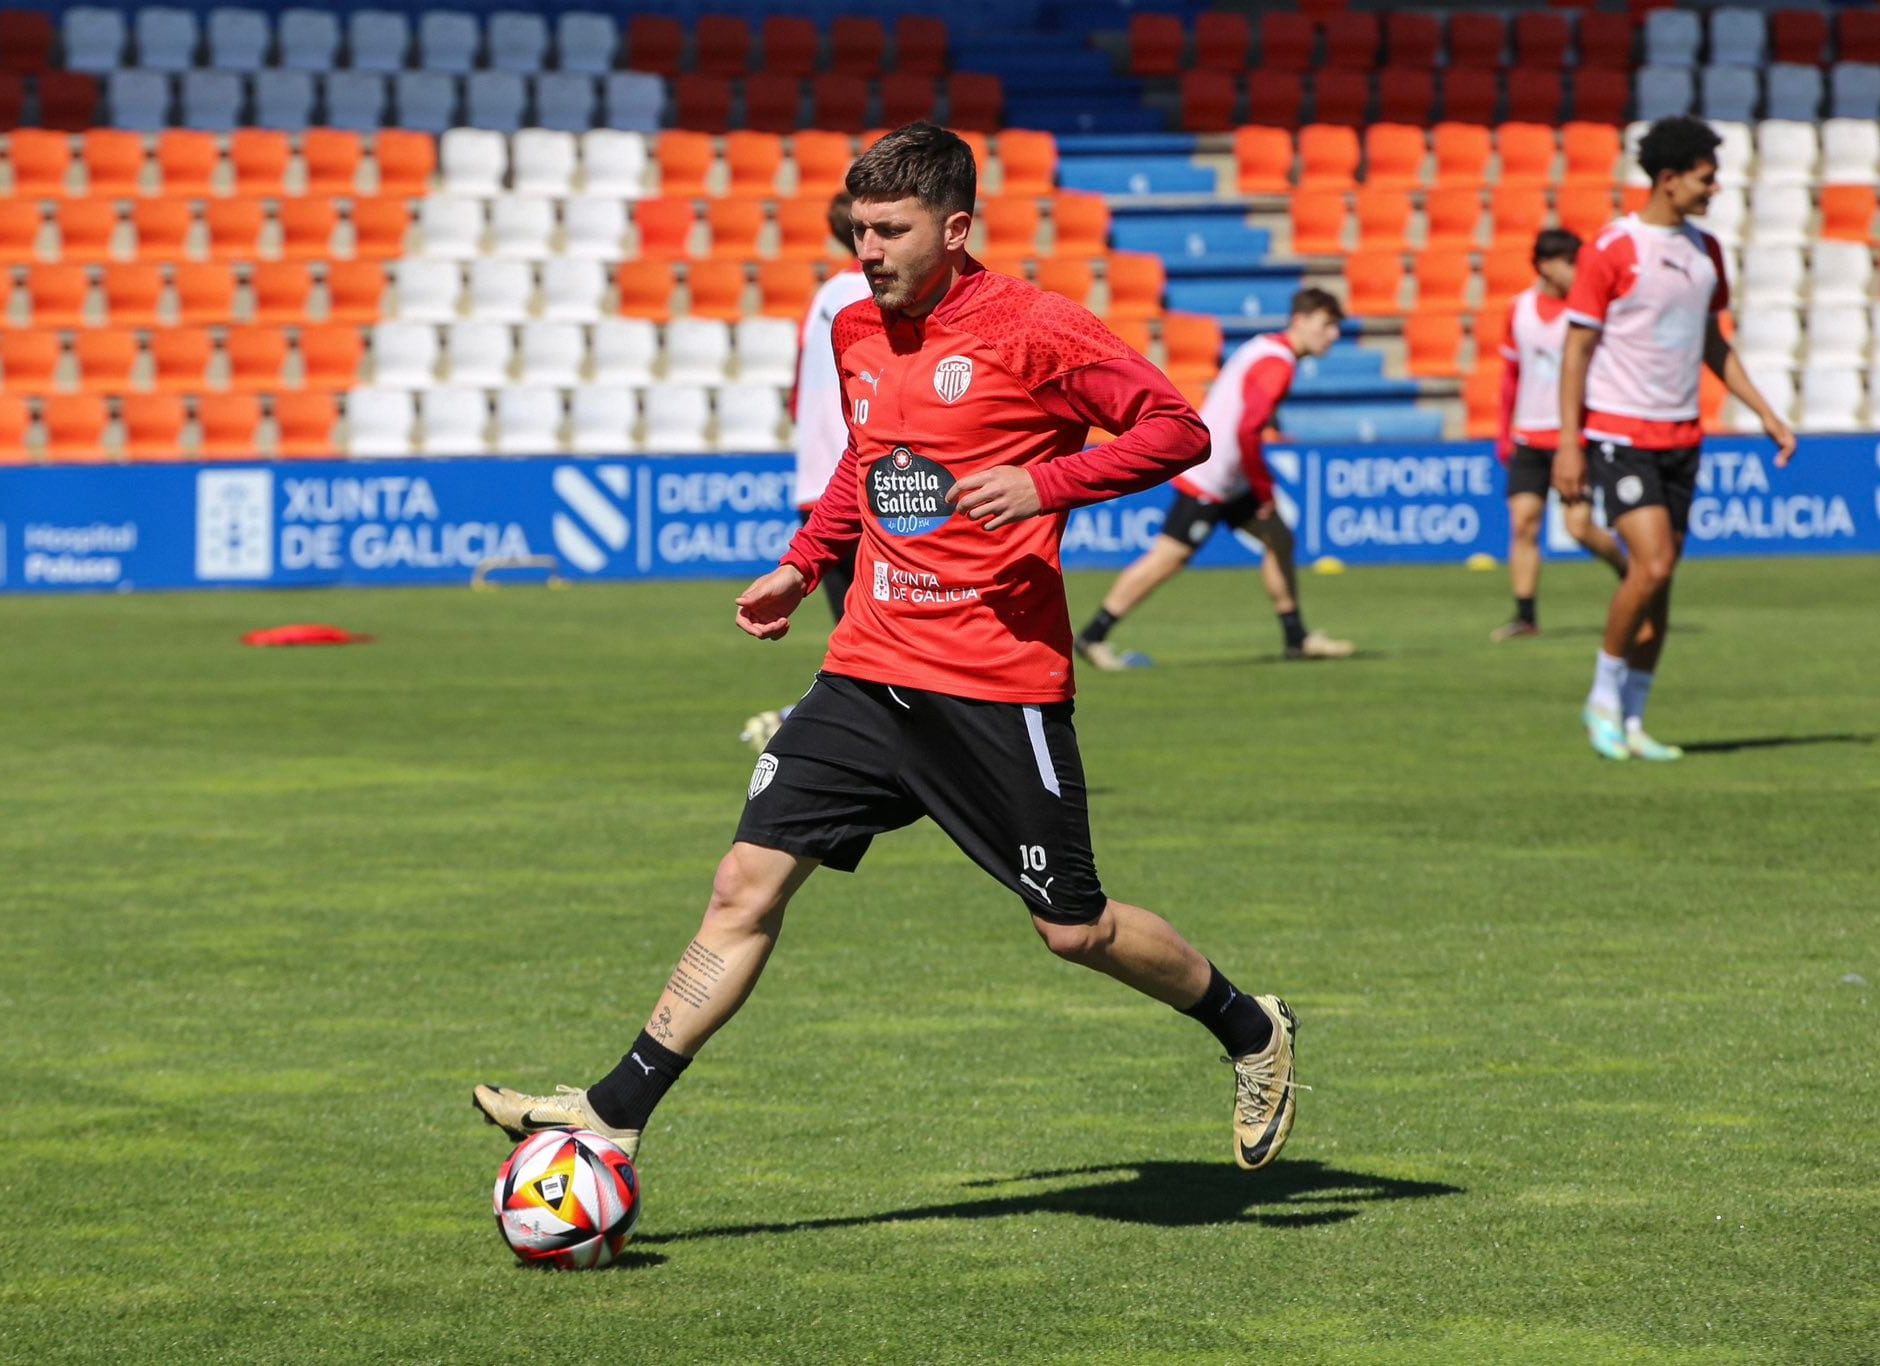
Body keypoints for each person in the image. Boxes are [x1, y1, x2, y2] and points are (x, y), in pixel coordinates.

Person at [477, 124, 1302, 1174]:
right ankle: (614, 1110)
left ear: (953, 229)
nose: (865, 251)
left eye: (889, 230)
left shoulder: (1035, 328)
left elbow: (1175, 429)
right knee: (745, 880)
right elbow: (869, 464)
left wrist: (1044, 484)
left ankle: (1250, 1029)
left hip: (993, 685)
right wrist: (799, 562)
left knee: (1072, 930)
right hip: (868, 666)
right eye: (857, 229)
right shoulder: (856, 331)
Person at [1557, 114, 1796, 761]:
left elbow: (1714, 345)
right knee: (1653, 562)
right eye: (1706, 179)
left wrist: (1768, 414)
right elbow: (1576, 349)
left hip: (1682, 435)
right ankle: (1601, 698)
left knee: (1660, 581)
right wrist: (1570, 442)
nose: (1714, 190)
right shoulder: (1612, 249)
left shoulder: (1706, 252)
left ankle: (1633, 721)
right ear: (1668, 179)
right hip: (1619, 431)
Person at [1073, 289, 1354, 669]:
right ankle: (1093, 636)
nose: (1334, 334)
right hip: (1212, 476)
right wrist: (1264, 490)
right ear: (1301, 321)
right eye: (1328, 324)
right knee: (1169, 558)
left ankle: (1296, 638)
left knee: (1280, 538)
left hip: (1227, 476)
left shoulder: (1264, 348)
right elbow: (1249, 430)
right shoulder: (1279, 363)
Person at [741, 193, 871, 754]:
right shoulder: (874, 294)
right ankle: (815, 730)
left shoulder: (825, 294)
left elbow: (801, 389)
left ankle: (819, 729)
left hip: (818, 478)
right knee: (880, 633)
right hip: (865, 478)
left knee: (860, 629)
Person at [1490, 229, 1628, 643]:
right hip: (1529, 437)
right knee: (1523, 523)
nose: (1577, 272)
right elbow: (1511, 377)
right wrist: (1503, 432)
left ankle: (1628, 573)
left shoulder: (1587, 311)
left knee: (1579, 528)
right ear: (1547, 265)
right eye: (1571, 263)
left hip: (1573, 437)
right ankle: (1525, 614)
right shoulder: (1519, 309)